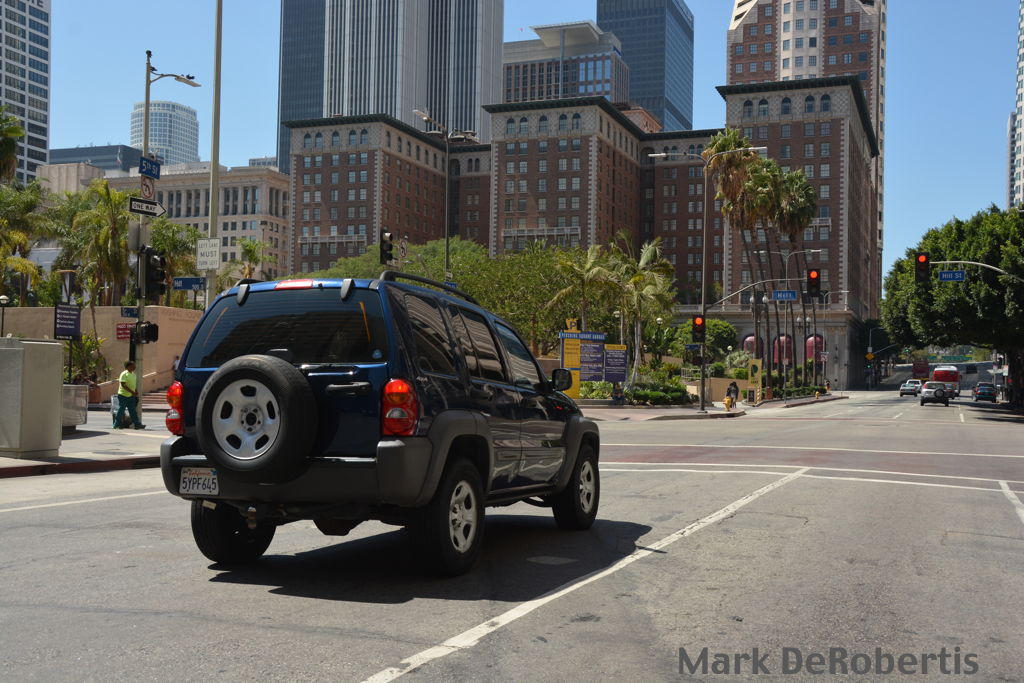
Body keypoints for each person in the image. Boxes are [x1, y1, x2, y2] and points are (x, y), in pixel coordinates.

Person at [113, 360, 144, 430]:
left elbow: (133, 385)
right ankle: (116, 424)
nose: (135, 367)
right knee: (121, 410)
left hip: (131, 396)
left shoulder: (133, 374)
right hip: (123, 395)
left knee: (132, 410)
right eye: (133, 366)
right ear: (128, 366)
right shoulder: (124, 374)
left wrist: (135, 391)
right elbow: (123, 385)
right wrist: (132, 392)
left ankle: (137, 424)